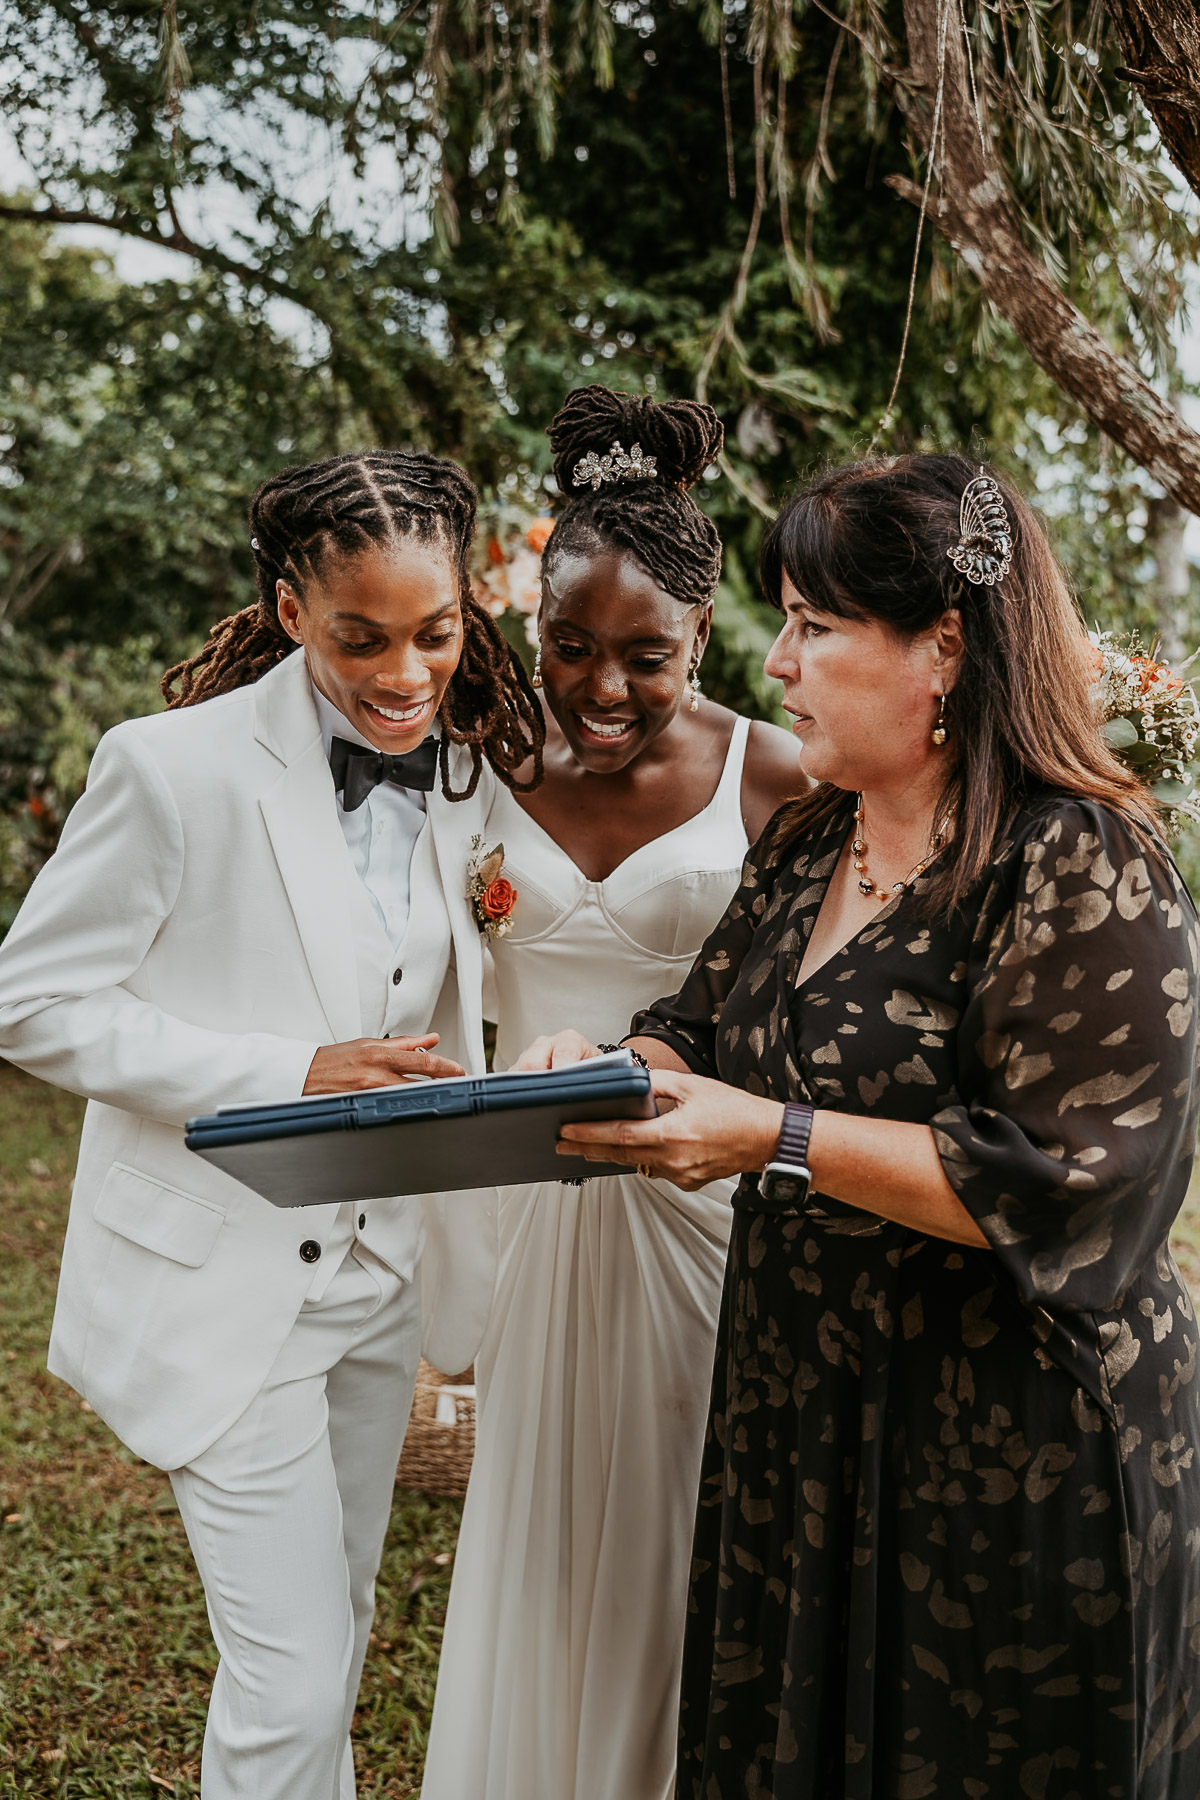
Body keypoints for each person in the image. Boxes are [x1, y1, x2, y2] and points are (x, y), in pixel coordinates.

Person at [550, 453, 1200, 1798]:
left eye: (815, 623)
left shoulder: (1079, 862)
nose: (775, 663)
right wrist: (601, 1068)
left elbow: (1064, 1183)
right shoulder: (808, 839)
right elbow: (701, 1021)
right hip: (806, 1411)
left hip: (1011, 1447)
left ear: (944, 652)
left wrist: (772, 1138)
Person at [0, 450, 543, 1800]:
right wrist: (285, 1068)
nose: (407, 674)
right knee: (294, 1671)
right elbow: (32, 1001)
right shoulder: (169, 767)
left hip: (378, 1280)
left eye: (434, 634)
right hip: (221, 1285)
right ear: (292, 608)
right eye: (364, 639)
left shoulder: (472, 783)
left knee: (332, 1639)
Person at [420, 386, 805, 1800]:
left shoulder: (779, 778)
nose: (598, 687)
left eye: (644, 656)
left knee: (686, 1528)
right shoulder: (474, 770)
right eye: (567, 645)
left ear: (704, 638)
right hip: (524, 1209)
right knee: (531, 1540)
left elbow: (818, 1000)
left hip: (698, 1207)